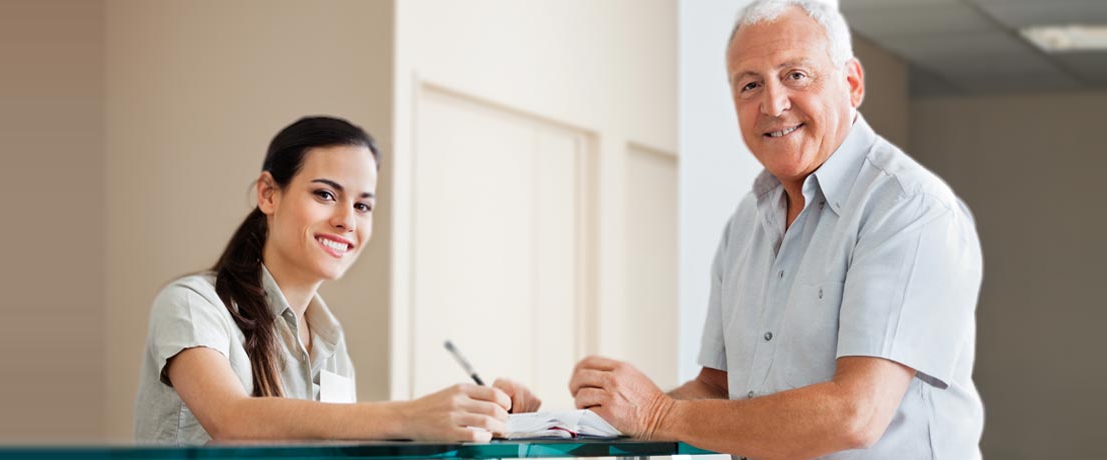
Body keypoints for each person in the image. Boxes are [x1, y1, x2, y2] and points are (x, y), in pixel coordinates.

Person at [567, 1, 983, 458]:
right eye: (750, 85)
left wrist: (656, 415)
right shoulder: (747, 222)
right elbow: (717, 389)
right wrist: (586, 422)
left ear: (851, 83)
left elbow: (856, 415)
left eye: (795, 76)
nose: (773, 104)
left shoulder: (908, 208)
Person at [134, 116, 541, 445]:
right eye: (326, 194)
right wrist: (409, 415)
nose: (347, 219)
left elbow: (342, 444)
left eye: (363, 205)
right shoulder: (192, 304)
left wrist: (478, 416)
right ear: (268, 195)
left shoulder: (330, 341)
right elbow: (232, 420)